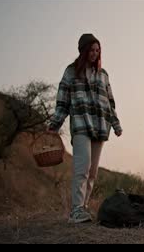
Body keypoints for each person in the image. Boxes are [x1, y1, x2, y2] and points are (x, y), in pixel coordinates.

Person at [48, 33, 123, 224]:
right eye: (91, 50)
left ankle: (84, 207)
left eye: (97, 50)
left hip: (100, 126)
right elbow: (62, 101)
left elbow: (110, 102)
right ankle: (76, 210)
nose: (94, 54)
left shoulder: (103, 74)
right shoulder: (71, 71)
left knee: (93, 172)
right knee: (82, 167)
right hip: (81, 124)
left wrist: (115, 124)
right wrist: (54, 126)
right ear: (83, 50)